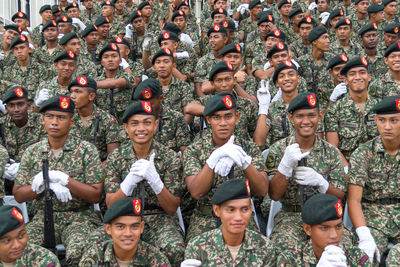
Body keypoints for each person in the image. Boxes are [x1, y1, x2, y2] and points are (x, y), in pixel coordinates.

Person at [12, 95, 104, 266]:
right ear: (42, 120)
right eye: (49, 116)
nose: (54, 122)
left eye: (61, 117)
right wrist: (43, 186)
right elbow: (18, 194)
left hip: (80, 217)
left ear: (72, 122)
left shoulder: (86, 150)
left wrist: (64, 179)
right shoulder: (32, 152)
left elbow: (95, 195)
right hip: (42, 217)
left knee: (81, 250)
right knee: (22, 250)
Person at [103, 101, 186, 265]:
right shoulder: (116, 157)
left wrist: (156, 182)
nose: (141, 128)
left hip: (159, 217)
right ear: (126, 127)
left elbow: (171, 207)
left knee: (174, 249)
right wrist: (129, 182)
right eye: (134, 123)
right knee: (98, 249)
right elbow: (111, 205)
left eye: (147, 122)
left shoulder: (169, 157)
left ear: (155, 125)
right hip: (122, 218)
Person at [267, 92, 347, 251]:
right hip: (291, 217)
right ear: (291, 117)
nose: (306, 121)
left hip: (326, 217)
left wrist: (322, 184)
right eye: (300, 116)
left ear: (320, 116)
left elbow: (340, 196)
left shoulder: (331, 152)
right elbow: (274, 195)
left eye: (311, 115)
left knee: (343, 251)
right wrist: (284, 167)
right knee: (282, 250)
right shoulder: (279, 149)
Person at [183, 92, 268, 241]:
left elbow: (262, 189)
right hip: (206, 217)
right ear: (208, 119)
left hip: (240, 217)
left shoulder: (249, 148)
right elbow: (196, 192)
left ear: (237, 117)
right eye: (217, 117)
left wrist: (244, 163)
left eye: (228, 116)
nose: (223, 123)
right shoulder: (194, 150)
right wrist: (212, 160)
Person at [347, 96, 400, 263]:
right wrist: (364, 235)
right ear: (375, 120)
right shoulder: (363, 153)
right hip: (373, 218)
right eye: (382, 120)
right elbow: (354, 200)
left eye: (394, 120)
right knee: (363, 260)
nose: (387, 126)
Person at [182, 179, 276, 266]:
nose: (238, 217)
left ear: (251, 209)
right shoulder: (198, 247)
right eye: (231, 210)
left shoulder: (264, 247)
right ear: (217, 210)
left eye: (245, 209)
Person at [276, 194, 372, 266]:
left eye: (338, 226)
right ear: (308, 229)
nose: (334, 235)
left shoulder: (356, 257)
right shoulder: (291, 259)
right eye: (324, 228)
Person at [79, 197, 171, 266]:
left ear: (142, 227)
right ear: (108, 229)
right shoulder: (95, 257)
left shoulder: (156, 260)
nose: (128, 233)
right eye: (120, 227)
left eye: (134, 226)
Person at [325, 56, 379, 168]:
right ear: (345, 80)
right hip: (347, 164)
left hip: (377, 166)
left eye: (362, 72)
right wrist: (347, 169)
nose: (358, 77)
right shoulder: (335, 110)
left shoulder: (379, 107)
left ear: (369, 77)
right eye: (352, 73)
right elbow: (332, 146)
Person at [1, 86, 46, 194]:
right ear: (6, 108)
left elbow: (47, 148)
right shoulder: (1, 124)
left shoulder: (42, 122)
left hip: (34, 177)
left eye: (20, 104)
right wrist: (3, 167)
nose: (16, 109)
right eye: (12, 105)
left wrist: (23, 166)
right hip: (5, 179)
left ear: (28, 105)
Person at [69, 76, 121, 163]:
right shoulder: (67, 118)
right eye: (71, 92)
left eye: (78, 92)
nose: (72, 96)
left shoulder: (107, 120)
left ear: (91, 96)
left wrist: (94, 170)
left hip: (98, 169)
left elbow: (112, 158)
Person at [132, 78, 191, 153]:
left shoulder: (176, 118)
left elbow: (184, 150)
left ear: (160, 98)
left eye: (150, 104)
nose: (146, 108)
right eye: (143, 104)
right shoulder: (135, 120)